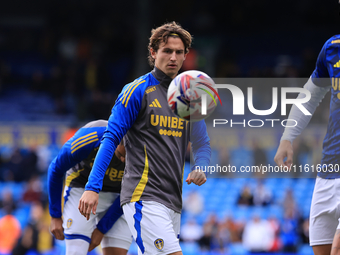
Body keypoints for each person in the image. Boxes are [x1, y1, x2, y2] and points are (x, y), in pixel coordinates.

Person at [78, 21, 211, 255]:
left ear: (185, 56)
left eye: (179, 52)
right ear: (153, 53)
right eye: (167, 51)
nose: (173, 57)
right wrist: (92, 187)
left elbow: (202, 143)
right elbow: (111, 138)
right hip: (143, 196)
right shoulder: (137, 90)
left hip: (173, 201)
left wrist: (201, 166)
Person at [274, 35, 340, 255]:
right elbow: (310, 96)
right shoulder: (332, 48)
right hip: (328, 170)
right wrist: (287, 138)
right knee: (322, 249)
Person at [48, 119, 132, 255]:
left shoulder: (145, 153)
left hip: (119, 195)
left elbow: (131, 192)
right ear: (116, 142)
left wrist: (101, 229)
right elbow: (56, 169)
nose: (123, 160)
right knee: (76, 251)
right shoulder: (90, 136)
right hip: (81, 187)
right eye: (121, 155)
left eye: (129, 157)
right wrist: (55, 215)